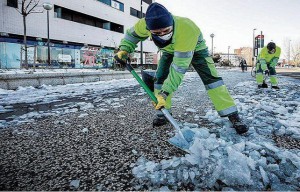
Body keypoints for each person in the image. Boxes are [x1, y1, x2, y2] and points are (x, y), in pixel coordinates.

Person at [114, 3, 248, 134]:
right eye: (156, 32)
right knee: (160, 79)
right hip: (169, 51)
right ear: (149, 29)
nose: (162, 34)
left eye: (166, 30)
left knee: (213, 81)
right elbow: (131, 36)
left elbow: (178, 68)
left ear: (171, 22)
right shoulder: (143, 24)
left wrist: (165, 93)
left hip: (196, 50)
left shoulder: (186, 28)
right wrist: (124, 50)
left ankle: (232, 114)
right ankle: (163, 113)